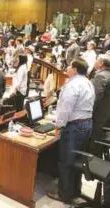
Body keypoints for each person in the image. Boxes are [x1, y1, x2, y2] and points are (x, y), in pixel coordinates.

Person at [48, 58, 94, 204]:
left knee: (66, 161)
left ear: (74, 69)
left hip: (74, 127)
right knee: (76, 160)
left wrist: (59, 126)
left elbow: (65, 108)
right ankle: (75, 190)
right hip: (86, 124)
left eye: (69, 66)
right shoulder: (88, 82)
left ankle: (64, 195)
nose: (66, 68)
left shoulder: (72, 85)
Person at [89, 55, 110, 156]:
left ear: (101, 63)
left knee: (94, 139)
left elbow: (96, 97)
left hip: (98, 114)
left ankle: (90, 161)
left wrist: (88, 111)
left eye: (96, 60)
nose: (94, 62)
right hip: (106, 112)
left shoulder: (100, 76)